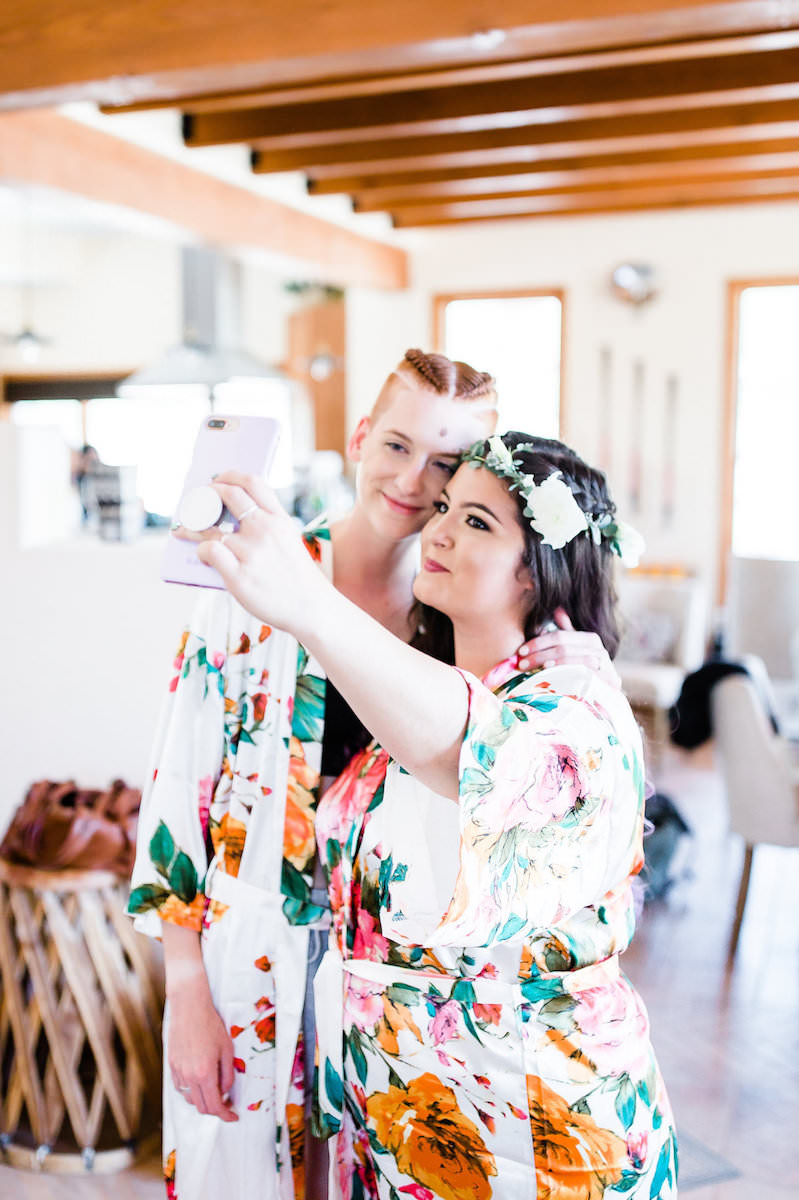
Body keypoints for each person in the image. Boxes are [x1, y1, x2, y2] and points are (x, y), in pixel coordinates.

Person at [128, 354, 617, 1200]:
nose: (411, 481)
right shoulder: (248, 583)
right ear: (359, 436)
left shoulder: (461, 620)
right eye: (394, 444)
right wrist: (186, 987)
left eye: (443, 465)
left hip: (392, 991)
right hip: (252, 954)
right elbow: (180, 796)